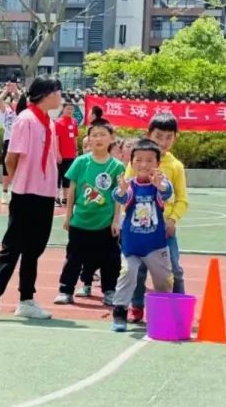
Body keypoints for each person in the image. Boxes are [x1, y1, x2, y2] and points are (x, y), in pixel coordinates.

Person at [0, 76, 63, 323]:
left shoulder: (48, 122)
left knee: (34, 249)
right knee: (13, 246)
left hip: (46, 193)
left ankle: (26, 300)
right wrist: (19, 182)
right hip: (26, 192)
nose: (61, 97)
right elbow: (12, 157)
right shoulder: (25, 120)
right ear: (47, 94)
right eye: (58, 92)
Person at [125, 113, 188, 323]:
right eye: (158, 136)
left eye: (169, 137)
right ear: (148, 135)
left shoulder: (175, 166)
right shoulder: (136, 162)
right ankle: (137, 306)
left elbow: (182, 199)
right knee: (139, 270)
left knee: (175, 269)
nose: (163, 142)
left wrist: (172, 220)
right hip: (140, 231)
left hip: (164, 231)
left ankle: (178, 305)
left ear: (175, 138)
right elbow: (125, 193)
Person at [54, 118, 124, 307]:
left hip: (105, 222)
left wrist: (116, 220)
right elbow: (72, 190)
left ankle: (109, 290)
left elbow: (118, 196)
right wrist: (68, 216)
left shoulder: (117, 166)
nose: (98, 138)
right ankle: (66, 290)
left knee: (110, 259)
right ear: (88, 140)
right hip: (81, 221)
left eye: (103, 134)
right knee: (74, 258)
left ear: (112, 138)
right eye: (94, 135)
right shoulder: (80, 162)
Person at [110, 139, 174, 332]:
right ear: (131, 162)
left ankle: (163, 312)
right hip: (132, 246)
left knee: (163, 280)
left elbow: (167, 193)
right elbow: (120, 196)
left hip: (155, 245)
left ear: (157, 163)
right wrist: (120, 190)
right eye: (138, 160)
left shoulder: (159, 184)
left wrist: (160, 185)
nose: (144, 164)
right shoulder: (129, 185)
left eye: (149, 160)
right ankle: (120, 311)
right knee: (127, 274)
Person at [54, 102, 80, 206]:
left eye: (72, 109)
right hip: (61, 154)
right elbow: (56, 139)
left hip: (71, 154)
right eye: (68, 109)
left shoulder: (74, 122)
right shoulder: (58, 122)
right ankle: (56, 197)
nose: (70, 111)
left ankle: (65, 198)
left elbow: (75, 138)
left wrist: (76, 150)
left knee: (67, 177)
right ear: (63, 109)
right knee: (58, 176)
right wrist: (58, 153)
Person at [0, 81, 19, 184]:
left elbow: (25, 100)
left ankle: (16, 189)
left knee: (18, 165)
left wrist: (16, 89)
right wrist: (7, 90)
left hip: (18, 141)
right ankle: (4, 191)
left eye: (16, 100)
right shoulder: (7, 111)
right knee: (6, 165)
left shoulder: (21, 112)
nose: (15, 102)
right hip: (8, 140)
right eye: (13, 100)